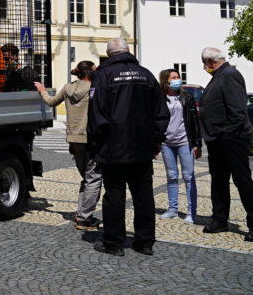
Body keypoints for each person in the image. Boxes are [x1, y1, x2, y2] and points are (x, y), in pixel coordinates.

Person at [86, 38, 169, 257]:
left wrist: (96, 143)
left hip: (113, 146)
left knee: (115, 193)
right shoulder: (147, 74)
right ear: (128, 51)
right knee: (143, 195)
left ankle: (113, 242)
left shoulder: (102, 76)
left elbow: (96, 114)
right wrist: (156, 140)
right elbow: (161, 112)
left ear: (109, 54)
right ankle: (144, 242)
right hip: (142, 147)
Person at [198, 46, 253, 242]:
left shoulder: (230, 74)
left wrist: (227, 134)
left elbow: (237, 110)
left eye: (204, 63)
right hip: (217, 139)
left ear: (210, 61)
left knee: (242, 181)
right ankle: (219, 219)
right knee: (218, 180)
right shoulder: (218, 76)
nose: (204, 66)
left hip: (231, 138)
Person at [34, 60, 101, 230]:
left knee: (87, 177)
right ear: (90, 73)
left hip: (73, 139)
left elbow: (50, 102)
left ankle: (82, 214)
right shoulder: (95, 88)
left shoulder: (67, 87)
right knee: (94, 178)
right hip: (90, 137)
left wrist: (42, 90)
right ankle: (85, 218)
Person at [156, 68, 201, 224]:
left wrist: (197, 143)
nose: (177, 79)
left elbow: (194, 121)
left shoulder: (186, 97)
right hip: (167, 142)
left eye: (178, 77)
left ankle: (191, 212)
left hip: (184, 141)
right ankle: (173, 209)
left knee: (188, 176)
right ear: (165, 81)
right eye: (173, 77)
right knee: (171, 176)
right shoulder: (160, 98)